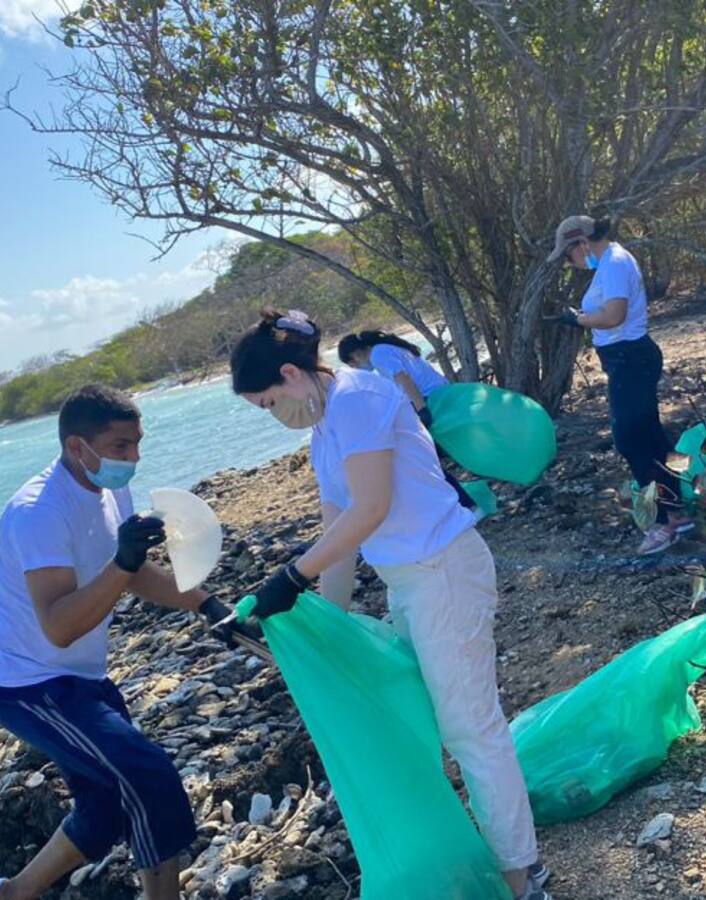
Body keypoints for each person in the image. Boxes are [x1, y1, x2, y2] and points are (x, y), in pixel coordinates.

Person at [229, 309, 551, 900]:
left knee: (470, 728)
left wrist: (290, 577)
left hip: (444, 569)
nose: (274, 416)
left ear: (291, 375)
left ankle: (520, 876)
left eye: (268, 403)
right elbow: (338, 533)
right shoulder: (326, 426)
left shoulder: (358, 399)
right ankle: (495, 856)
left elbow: (370, 508)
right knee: (426, 714)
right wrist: (326, 624)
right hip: (410, 581)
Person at [0, 384, 245, 900]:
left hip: (80, 677)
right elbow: (59, 624)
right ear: (79, 447)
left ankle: (8, 894)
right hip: (29, 686)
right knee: (148, 778)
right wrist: (122, 562)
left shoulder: (109, 490)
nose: (134, 458)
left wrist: (207, 605)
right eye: (121, 446)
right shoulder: (38, 513)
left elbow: (134, 573)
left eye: (138, 443)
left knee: (103, 807)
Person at [548, 214, 692, 555]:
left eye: (568, 256)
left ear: (581, 243)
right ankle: (677, 513)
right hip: (626, 360)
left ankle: (663, 523)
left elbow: (614, 316)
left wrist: (578, 319)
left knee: (630, 440)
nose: (572, 263)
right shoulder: (611, 262)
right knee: (649, 436)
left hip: (630, 359)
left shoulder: (613, 262)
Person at [337, 328, 480, 515]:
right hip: (441, 394)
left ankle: (466, 506)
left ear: (356, 354)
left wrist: (422, 410)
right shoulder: (388, 347)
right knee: (434, 457)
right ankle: (464, 504)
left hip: (429, 401)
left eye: (352, 364)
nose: (356, 369)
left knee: (427, 459)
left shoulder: (379, 355)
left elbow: (404, 379)